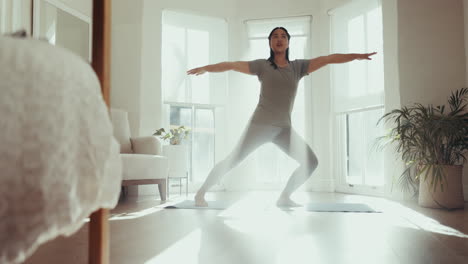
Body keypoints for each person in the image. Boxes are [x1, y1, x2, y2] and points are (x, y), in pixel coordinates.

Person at [187, 27, 376, 207]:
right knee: (232, 160)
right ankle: (200, 193)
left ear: (288, 43)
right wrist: (206, 68)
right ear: (270, 42)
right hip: (259, 126)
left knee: (311, 162)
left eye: (283, 36)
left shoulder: (299, 67)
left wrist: (356, 57)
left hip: (283, 129)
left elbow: (328, 59)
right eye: (275, 36)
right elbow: (231, 65)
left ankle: (284, 197)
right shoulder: (262, 65)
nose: (279, 39)